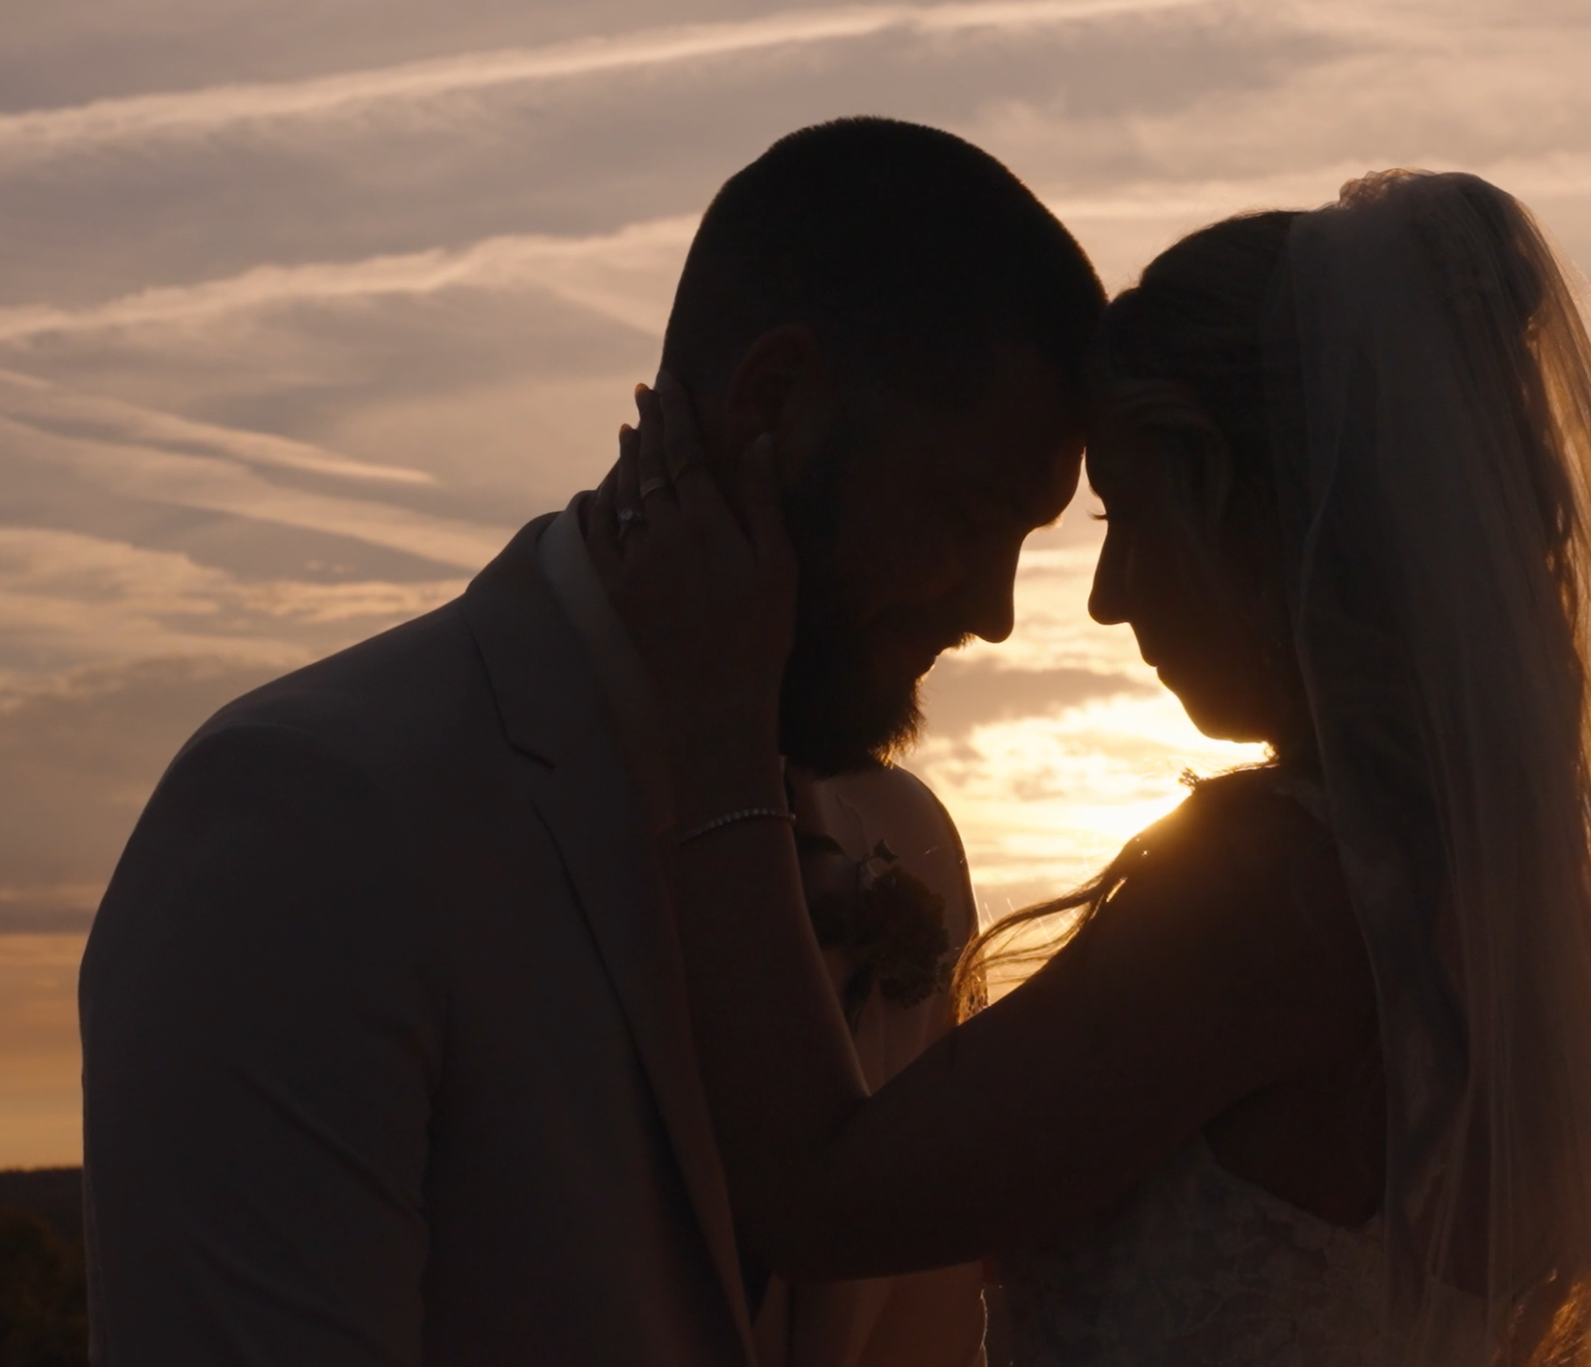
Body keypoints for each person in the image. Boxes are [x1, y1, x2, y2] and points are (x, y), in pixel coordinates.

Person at [602, 170, 1591, 1365]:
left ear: (1263, 520)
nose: (1103, 595)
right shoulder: (1507, 895)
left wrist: (719, 734)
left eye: (1136, 514)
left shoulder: (1272, 896)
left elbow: (824, 1199)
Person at [78, 117, 1104, 1366]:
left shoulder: (907, 849)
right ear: (772, 402)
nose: (995, 612)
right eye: (967, 511)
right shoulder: (304, 818)